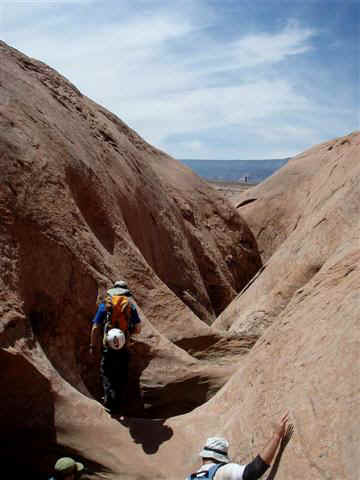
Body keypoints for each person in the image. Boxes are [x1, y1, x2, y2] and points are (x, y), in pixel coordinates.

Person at [89, 280, 142, 414]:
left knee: (107, 373)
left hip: (108, 346)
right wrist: (128, 332)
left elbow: (95, 328)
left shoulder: (105, 306)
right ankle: (121, 403)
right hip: (124, 346)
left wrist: (93, 345)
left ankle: (110, 401)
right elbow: (138, 329)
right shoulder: (130, 306)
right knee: (122, 374)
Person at [187, 413, 289, 480]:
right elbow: (252, 471)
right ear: (220, 459)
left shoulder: (190, 478)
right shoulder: (222, 471)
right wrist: (276, 437)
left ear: (203, 457)